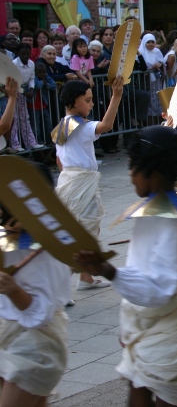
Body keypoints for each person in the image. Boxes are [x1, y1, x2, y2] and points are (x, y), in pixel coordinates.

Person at [74, 125, 177, 407]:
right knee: (138, 387)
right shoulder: (151, 211)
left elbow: (159, 287)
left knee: (168, 396)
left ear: (153, 172)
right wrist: (129, 323)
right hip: (145, 321)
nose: (129, 173)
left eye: (133, 166)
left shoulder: (176, 224)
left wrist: (109, 272)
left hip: (173, 326)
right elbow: (141, 270)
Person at [0, 163, 71, 407]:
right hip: (7, 339)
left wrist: (12, 289)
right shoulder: (6, 237)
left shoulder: (54, 246)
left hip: (36, 347)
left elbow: (41, 313)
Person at [51, 76, 124, 290]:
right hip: (80, 182)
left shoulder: (61, 127)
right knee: (83, 231)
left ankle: (85, 276)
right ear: (74, 101)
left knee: (85, 229)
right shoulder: (78, 125)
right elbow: (107, 125)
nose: (92, 104)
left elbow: (59, 160)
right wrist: (117, 96)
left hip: (71, 181)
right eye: (88, 100)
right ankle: (61, 284)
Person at [11, 43, 43, 151]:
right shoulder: (14, 64)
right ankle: (15, 144)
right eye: (22, 54)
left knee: (25, 118)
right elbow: (12, 81)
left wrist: (31, 89)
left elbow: (31, 78)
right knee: (14, 119)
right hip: (13, 93)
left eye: (27, 53)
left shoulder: (31, 64)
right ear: (18, 54)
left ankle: (31, 142)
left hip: (24, 92)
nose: (25, 56)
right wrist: (23, 91)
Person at [139, 33, 165, 121]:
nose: (151, 44)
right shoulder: (140, 52)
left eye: (152, 42)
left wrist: (159, 64)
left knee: (157, 97)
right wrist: (151, 67)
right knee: (149, 98)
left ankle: (158, 115)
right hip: (146, 80)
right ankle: (150, 117)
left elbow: (162, 62)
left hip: (156, 79)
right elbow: (142, 66)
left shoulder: (157, 51)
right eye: (148, 42)